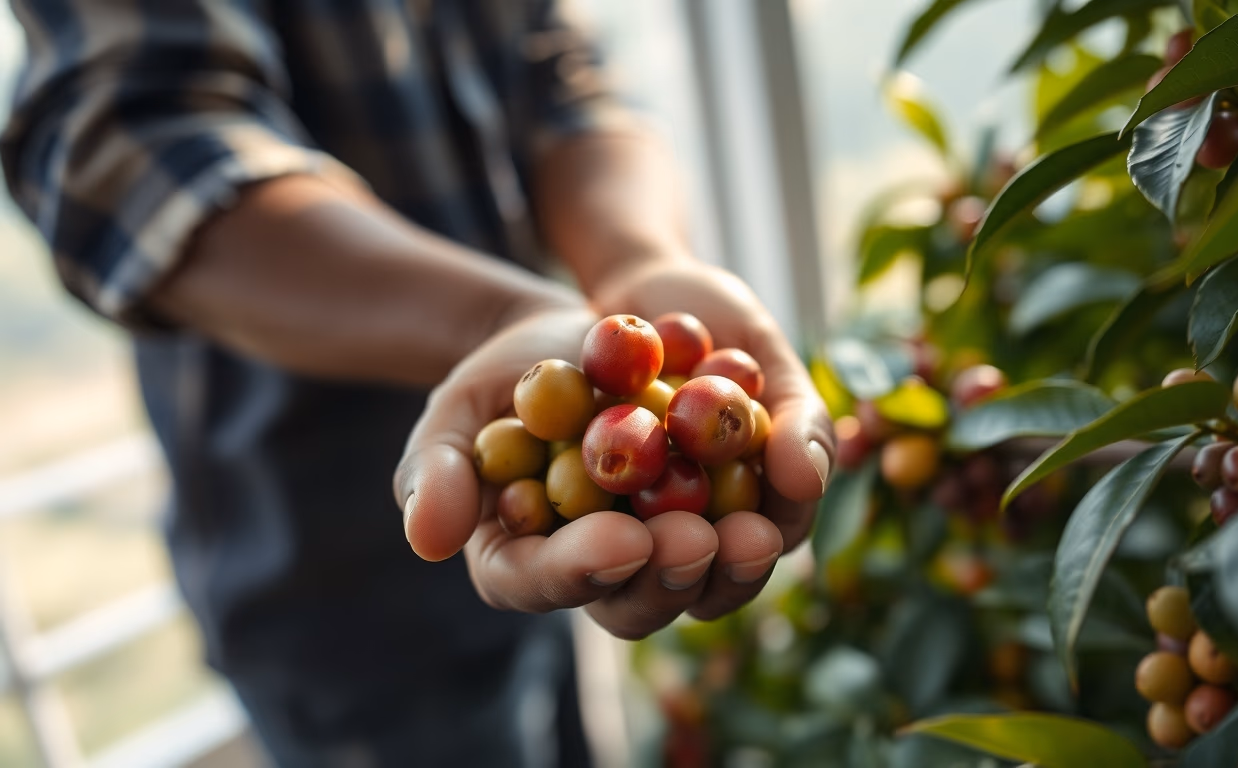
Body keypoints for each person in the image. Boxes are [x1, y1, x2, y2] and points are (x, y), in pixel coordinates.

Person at [1, 1, 835, 765]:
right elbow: (139, 141)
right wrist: (493, 319)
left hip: (545, 537)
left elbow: (565, 78)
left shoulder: (581, 455)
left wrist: (637, 259)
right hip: (342, 602)